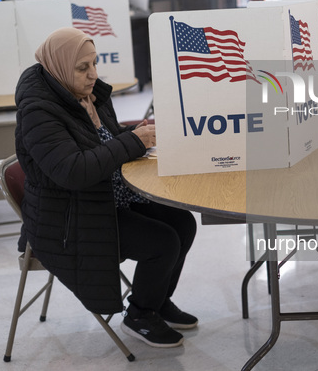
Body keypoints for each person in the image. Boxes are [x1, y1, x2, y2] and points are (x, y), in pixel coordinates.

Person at [15, 27, 197, 348]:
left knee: (183, 221)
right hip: (68, 218)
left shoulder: (84, 95)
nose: (92, 74)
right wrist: (130, 142)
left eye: (94, 64)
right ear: (58, 66)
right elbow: (73, 171)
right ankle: (139, 314)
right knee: (164, 241)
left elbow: (101, 140)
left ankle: (156, 299)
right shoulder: (39, 112)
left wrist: (132, 132)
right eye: (82, 67)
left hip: (102, 197)